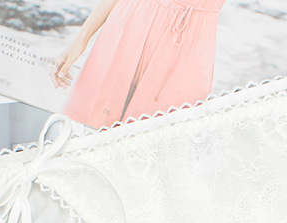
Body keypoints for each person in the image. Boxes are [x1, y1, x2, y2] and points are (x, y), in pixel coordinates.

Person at [51, 0, 225, 128]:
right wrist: (80, 41)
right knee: (88, 130)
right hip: (130, 27)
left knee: (157, 141)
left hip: (189, 47)